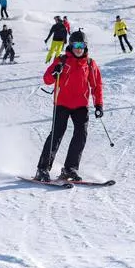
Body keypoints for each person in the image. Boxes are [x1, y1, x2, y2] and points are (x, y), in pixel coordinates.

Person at [34, 29, 104, 182]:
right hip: (62, 103)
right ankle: (42, 169)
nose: (79, 48)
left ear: (86, 47)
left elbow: (96, 85)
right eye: (76, 45)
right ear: (71, 45)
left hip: (81, 105)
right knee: (56, 135)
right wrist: (55, 72)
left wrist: (98, 104)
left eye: (82, 45)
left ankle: (70, 169)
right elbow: (47, 79)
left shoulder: (90, 64)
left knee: (81, 134)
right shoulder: (61, 60)